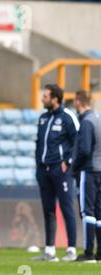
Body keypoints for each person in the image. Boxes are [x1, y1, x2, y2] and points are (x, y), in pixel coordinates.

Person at [33, 84, 79, 262]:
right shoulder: (43, 118)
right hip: (44, 170)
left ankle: (71, 249)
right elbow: (39, 143)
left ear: (55, 99)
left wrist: (68, 162)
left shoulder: (68, 117)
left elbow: (78, 140)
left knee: (67, 208)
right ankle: (50, 251)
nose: (42, 99)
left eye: (45, 96)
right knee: (48, 209)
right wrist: (38, 165)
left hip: (61, 171)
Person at [72, 90, 101, 262]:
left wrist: (74, 167)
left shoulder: (86, 122)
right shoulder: (99, 118)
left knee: (87, 211)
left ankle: (88, 252)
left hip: (89, 171)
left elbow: (85, 150)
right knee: (99, 212)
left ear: (78, 101)